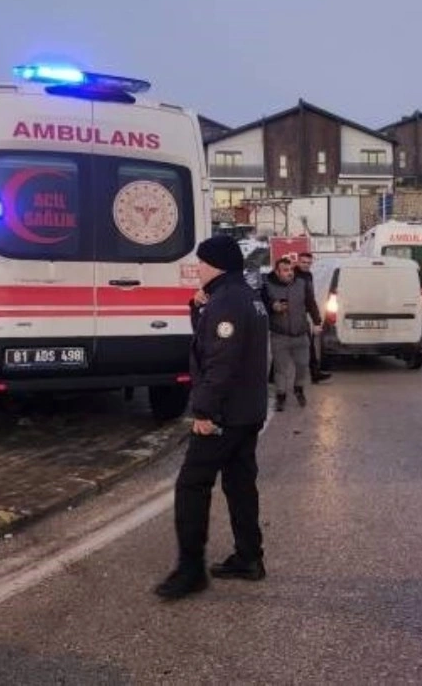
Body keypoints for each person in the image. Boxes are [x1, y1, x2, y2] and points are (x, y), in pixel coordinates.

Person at [156, 235, 270, 601]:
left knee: (192, 486)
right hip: (248, 410)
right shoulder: (246, 296)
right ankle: (249, 557)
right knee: (240, 484)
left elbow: (220, 361)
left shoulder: (227, 302)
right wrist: (197, 307)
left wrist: (204, 410)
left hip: (225, 414)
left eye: (201, 263)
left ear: (216, 265)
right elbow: (213, 341)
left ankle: (190, 570)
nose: (197, 269)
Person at [261, 256, 320, 411]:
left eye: (291, 270)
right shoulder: (268, 286)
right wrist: (273, 306)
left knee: (303, 364)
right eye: (285, 270)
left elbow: (311, 303)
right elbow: (262, 304)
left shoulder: (302, 284)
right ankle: (281, 396)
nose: (289, 273)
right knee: (280, 369)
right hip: (280, 335)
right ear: (277, 272)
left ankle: (298, 388)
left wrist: (317, 322)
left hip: (301, 334)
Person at [294, 252, 331, 383]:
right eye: (303, 262)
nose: (306, 265)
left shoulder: (308, 276)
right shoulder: (292, 275)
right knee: (284, 345)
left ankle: (315, 374)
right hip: (290, 316)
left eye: (308, 263)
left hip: (301, 316)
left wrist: (317, 321)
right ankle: (272, 377)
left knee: (309, 345)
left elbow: (310, 299)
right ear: (298, 261)